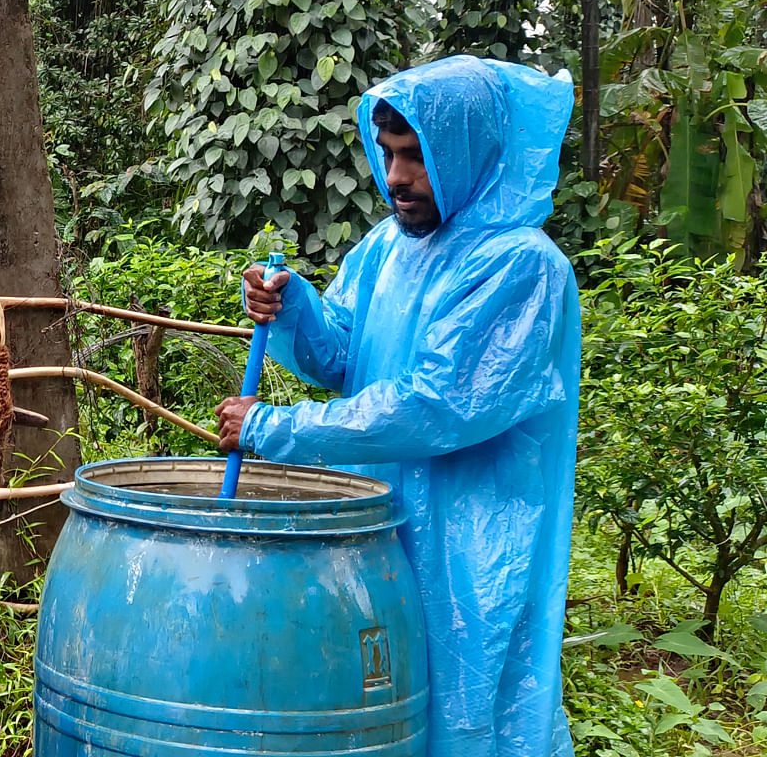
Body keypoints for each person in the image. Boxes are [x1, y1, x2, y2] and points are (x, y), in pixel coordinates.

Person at [215, 55, 579, 757]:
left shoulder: (523, 267)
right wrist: (293, 308)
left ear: (467, 153)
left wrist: (275, 427)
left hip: (474, 546)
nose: (397, 178)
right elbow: (341, 353)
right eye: (385, 154)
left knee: (472, 718)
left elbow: (435, 405)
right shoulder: (388, 247)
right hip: (384, 529)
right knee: (384, 711)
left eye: (416, 157)